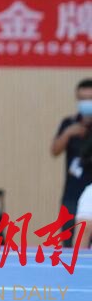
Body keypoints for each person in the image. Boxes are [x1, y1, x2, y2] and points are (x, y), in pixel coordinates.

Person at [51, 78, 92, 247]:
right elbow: (54, 150)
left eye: (90, 99)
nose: (86, 103)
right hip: (72, 194)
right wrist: (68, 134)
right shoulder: (69, 123)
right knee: (70, 243)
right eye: (82, 99)